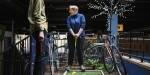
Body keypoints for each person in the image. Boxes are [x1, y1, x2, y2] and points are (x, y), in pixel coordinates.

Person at [28, 0, 48, 75]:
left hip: (36, 28)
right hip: (39, 29)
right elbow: (37, 14)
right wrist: (41, 30)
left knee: (40, 56)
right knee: (42, 56)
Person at [66, 5, 86, 72]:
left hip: (80, 36)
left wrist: (78, 34)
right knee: (71, 51)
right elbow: (69, 26)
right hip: (71, 36)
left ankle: (81, 65)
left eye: (70, 10)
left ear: (75, 10)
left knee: (79, 50)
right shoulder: (69, 17)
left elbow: (83, 25)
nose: (69, 11)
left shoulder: (81, 16)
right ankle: (69, 65)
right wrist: (73, 34)